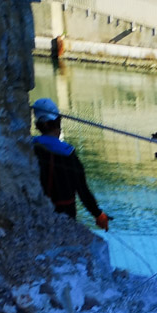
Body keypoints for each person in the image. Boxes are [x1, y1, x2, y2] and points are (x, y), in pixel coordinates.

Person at [31, 97, 109, 230]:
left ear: (38, 125)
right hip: (65, 215)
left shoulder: (28, 147)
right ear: (58, 123)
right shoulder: (68, 154)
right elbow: (82, 190)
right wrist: (98, 214)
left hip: (36, 214)